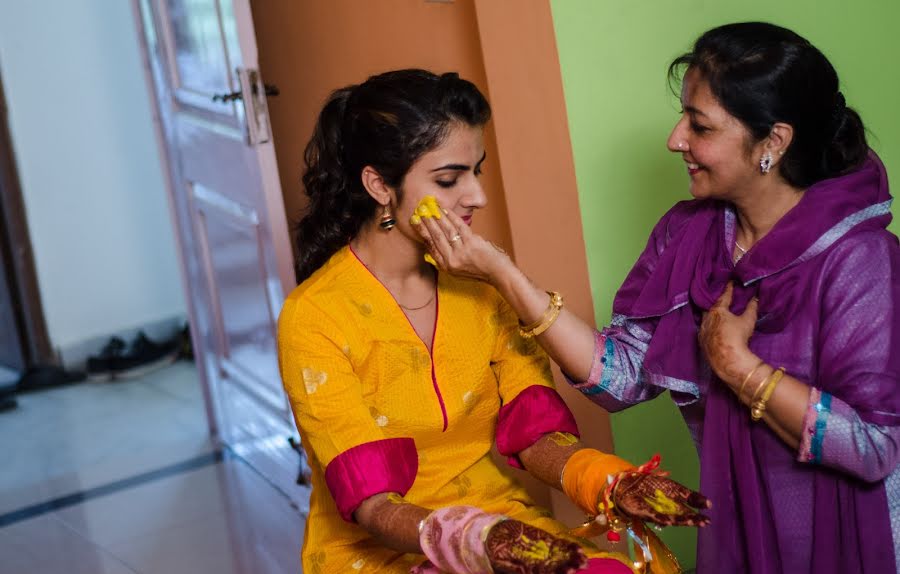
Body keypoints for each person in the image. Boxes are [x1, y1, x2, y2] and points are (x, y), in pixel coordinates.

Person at [414, 23, 899, 574]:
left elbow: (873, 446)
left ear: (773, 142)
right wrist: (503, 275)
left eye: (700, 125)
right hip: (738, 534)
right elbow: (620, 379)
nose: (676, 139)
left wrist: (740, 368)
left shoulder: (860, 258)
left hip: (849, 540)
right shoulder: (689, 236)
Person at [277, 69, 709, 574]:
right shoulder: (314, 318)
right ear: (379, 185)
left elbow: (533, 435)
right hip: (379, 550)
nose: (477, 196)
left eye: (476, 171)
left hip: (499, 522)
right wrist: (473, 537)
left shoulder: (479, 287)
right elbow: (371, 503)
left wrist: (606, 481)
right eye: (448, 179)